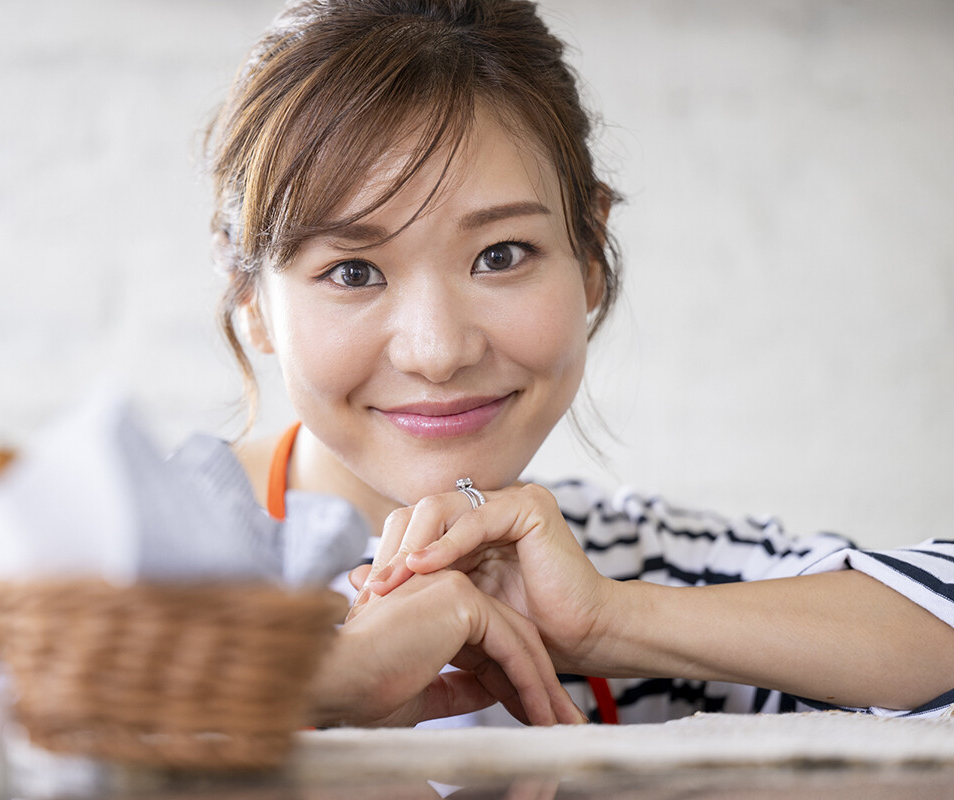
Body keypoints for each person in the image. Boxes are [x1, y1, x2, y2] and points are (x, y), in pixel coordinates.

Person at [204, 0, 954, 727]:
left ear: (590, 253)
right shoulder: (136, 549)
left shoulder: (621, 564)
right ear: (249, 295)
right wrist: (322, 693)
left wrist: (613, 623)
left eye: (501, 256)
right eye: (354, 272)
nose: (437, 352)